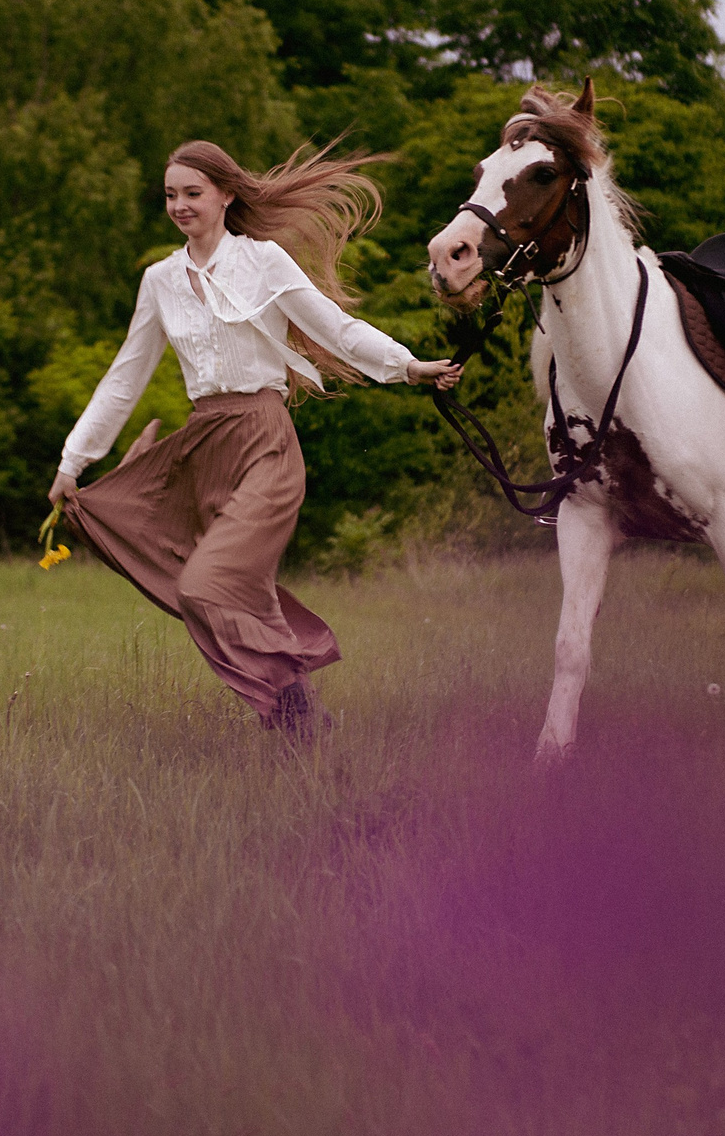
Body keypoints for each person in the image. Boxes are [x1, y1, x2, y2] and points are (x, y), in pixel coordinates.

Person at [49, 140, 463, 737]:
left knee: (206, 585)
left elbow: (335, 327)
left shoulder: (263, 260)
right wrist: (73, 461)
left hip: (265, 442)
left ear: (226, 194)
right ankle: (300, 725)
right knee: (247, 594)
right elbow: (124, 378)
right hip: (204, 448)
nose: (180, 205)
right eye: (171, 195)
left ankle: (289, 711)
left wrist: (409, 366)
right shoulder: (160, 280)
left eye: (193, 193)